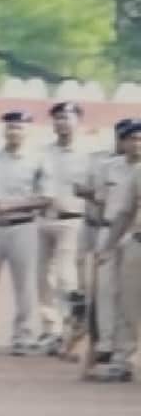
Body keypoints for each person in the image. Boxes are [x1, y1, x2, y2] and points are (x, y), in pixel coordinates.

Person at [0, 111, 50, 355]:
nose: (14, 132)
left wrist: (11, 205)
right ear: (4, 131)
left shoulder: (37, 160)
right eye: (11, 127)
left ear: (27, 131)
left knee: (25, 285)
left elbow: (46, 198)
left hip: (23, 226)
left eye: (19, 127)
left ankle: (23, 336)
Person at [37, 101, 95, 355]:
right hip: (43, 218)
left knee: (64, 277)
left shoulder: (89, 154)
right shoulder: (43, 152)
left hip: (72, 219)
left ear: (78, 121)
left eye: (67, 117)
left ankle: (72, 328)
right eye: (58, 118)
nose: (62, 122)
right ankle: (51, 330)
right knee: (43, 280)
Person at [85, 119, 137, 380]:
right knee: (112, 295)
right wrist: (104, 244)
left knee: (127, 299)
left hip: (131, 237)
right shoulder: (113, 169)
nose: (137, 143)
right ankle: (113, 352)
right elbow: (115, 208)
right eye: (132, 138)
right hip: (119, 234)